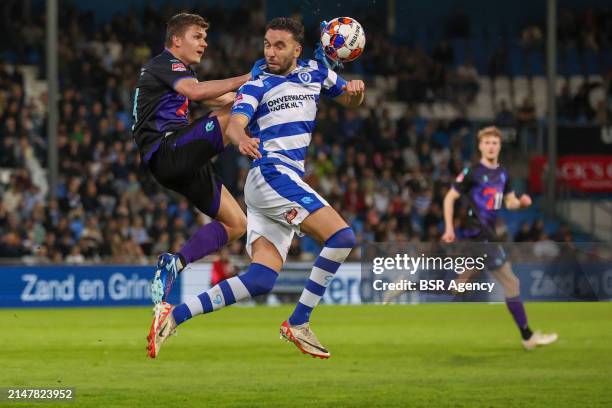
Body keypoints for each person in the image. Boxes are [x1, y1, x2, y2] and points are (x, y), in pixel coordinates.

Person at [148, 17, 365, 359]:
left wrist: (355, 92)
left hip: (273, 184)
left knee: (261, 279)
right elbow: (236, 122)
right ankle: (299, 321)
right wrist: (240, 137)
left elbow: (350, 100)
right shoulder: (258, 81)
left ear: (297, 48)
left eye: (279, 46)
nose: (271, 52)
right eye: (267, 44)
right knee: (342, 237)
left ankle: (174, 316)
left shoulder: (317, 72)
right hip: (272, 174)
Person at [133, 13, 252, 357]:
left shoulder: (179, 74)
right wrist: (249, 78)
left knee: (236, 223)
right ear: (176, 41)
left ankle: (175, 263)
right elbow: (198, 93)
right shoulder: (163, 65)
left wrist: (253, 95)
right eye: (198, 36)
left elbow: (219, 99)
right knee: (236, 114)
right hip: (168, 151)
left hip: (182, 158)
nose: (204, 43)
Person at [441, 126, 558, 350]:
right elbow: (449, 198)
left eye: (495, 142)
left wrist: (520, 203)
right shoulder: (472, 171)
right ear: (480, 146)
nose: (491, 146)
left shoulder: (503, 174)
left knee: (465, 285)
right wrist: (448, 229)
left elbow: (510, 202)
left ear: (500, 146)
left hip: (487, 234)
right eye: (487, 143)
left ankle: (408, 285)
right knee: (509, 281)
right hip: (477, 233)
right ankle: (528, 337)